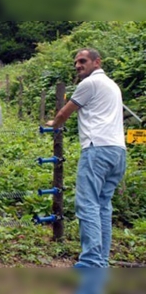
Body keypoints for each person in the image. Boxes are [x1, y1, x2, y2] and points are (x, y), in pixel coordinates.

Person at [46, 48, 126, 268]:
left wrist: (54, 125)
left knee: (87, 204)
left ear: (97, 62)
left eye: (82, 61)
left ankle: (91, 262)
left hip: (97, 149)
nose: (78, 65)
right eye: (76, 62)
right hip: (118, 151)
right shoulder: (113, 86)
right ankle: (101, 261)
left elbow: (64, 112)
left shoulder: (89, 84)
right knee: (103, 206)